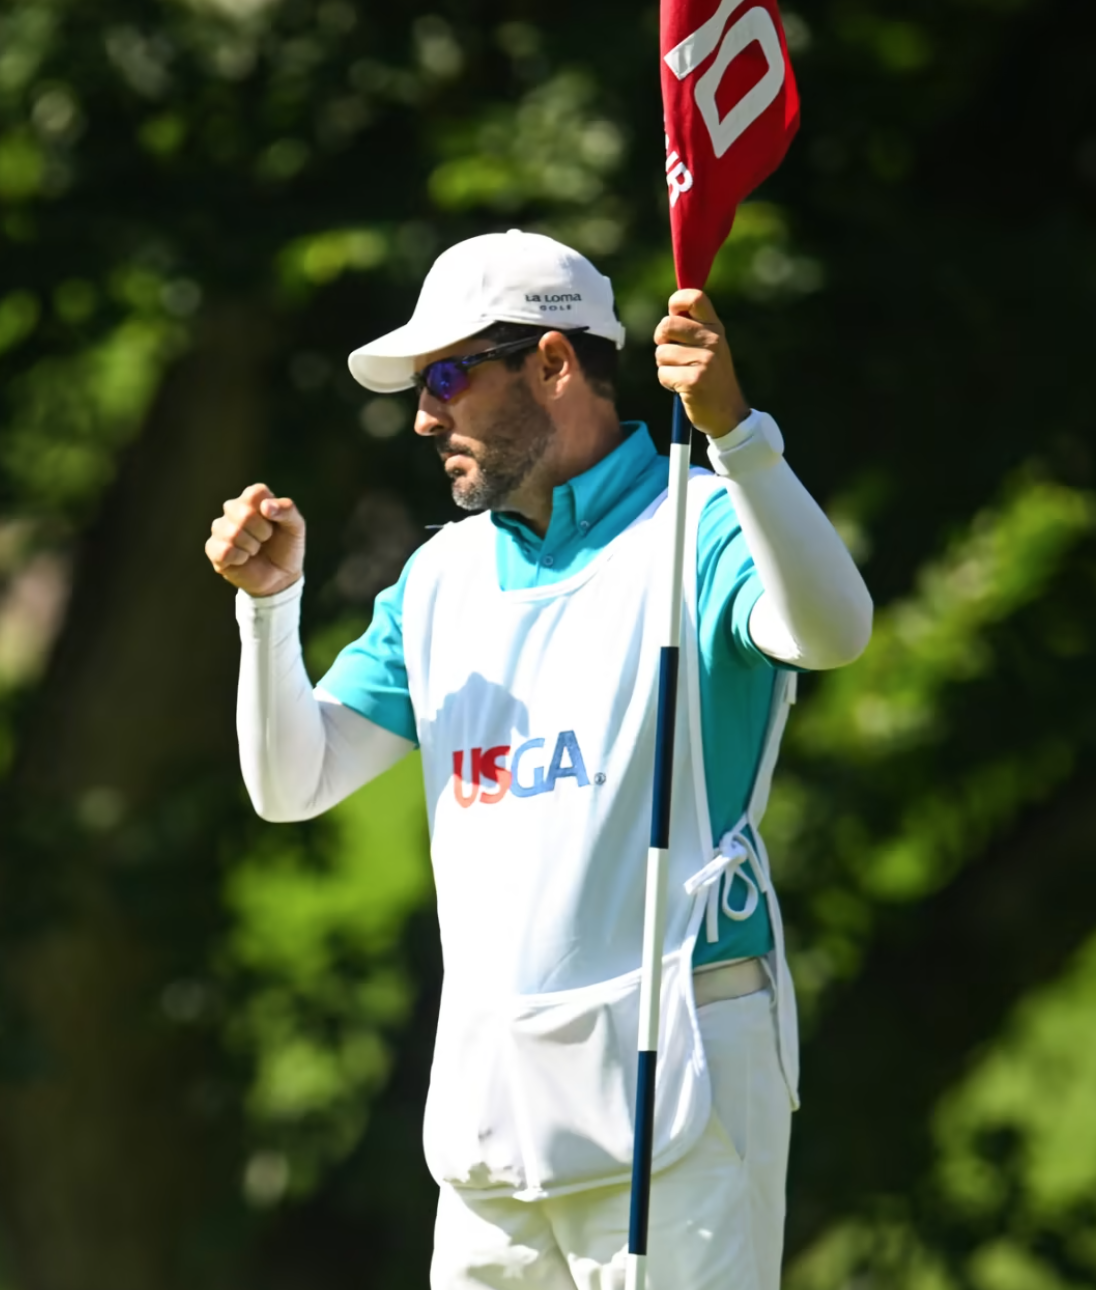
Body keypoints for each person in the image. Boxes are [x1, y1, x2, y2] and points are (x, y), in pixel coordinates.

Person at [204, 230, 871, 1290]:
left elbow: (835, 632)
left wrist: (738, 436)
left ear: (555, 364)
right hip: (491, 1122)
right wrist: (268, 610)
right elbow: (294, 783)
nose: (427, 415)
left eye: (451, 376)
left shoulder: (701, 522)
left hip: (683, 1083)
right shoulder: (441, 577)